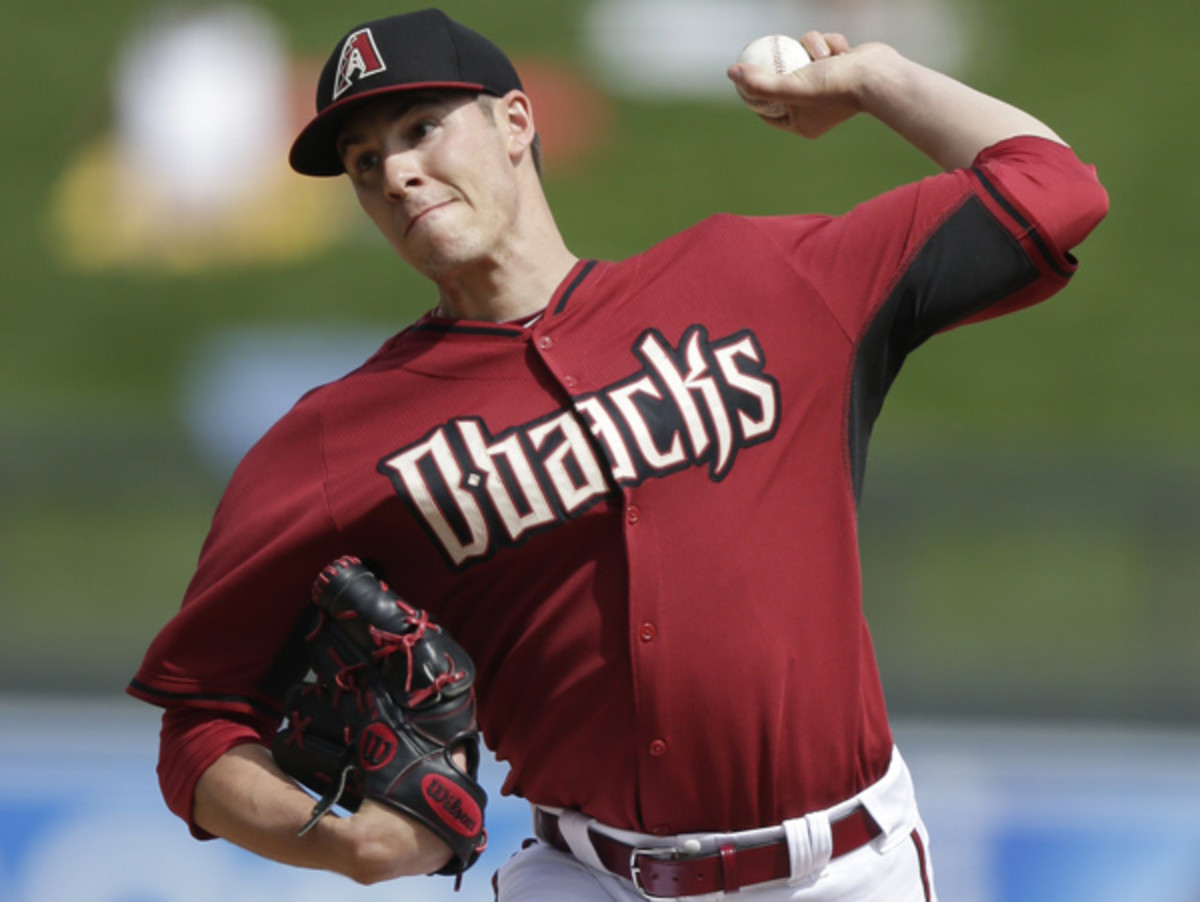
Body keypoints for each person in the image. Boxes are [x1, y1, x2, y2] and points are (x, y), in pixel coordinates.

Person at [127, 7, 1108, 900]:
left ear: (517, 123)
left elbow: (1053, 188)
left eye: (421, 128)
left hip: (845, 873)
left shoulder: (764, 283)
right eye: (363, 160)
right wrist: (346, 845)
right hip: (585, 877)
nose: (396, 173)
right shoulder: (338, 437)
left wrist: (875, 79)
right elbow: (197, 721)